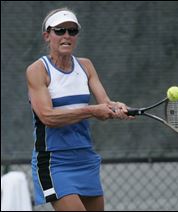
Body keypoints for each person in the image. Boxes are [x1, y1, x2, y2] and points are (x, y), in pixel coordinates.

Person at [26, 7, 132, 211]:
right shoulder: (37, 70)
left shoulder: (86, 66)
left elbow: (105, 105)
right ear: (47, 36)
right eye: (60, 30)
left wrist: (116, 108)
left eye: (72, 31)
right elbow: (48, 117)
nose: (66, 35)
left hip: (85, 157)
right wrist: (92, 110)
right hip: (53, 161)